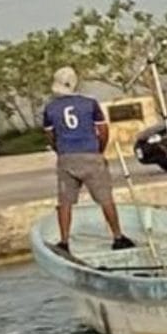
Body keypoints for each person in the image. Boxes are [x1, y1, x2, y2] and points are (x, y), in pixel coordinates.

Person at [42, 67, 135, 252]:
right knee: (105, 198)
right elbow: (102, 130)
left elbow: (50, 135)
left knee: (65, 202)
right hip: (91, 154)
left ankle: (64, 242)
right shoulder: (90, 103)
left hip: (66, 157)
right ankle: (117, 236)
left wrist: (60, 150)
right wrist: (99, 150)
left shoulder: (50, 108)